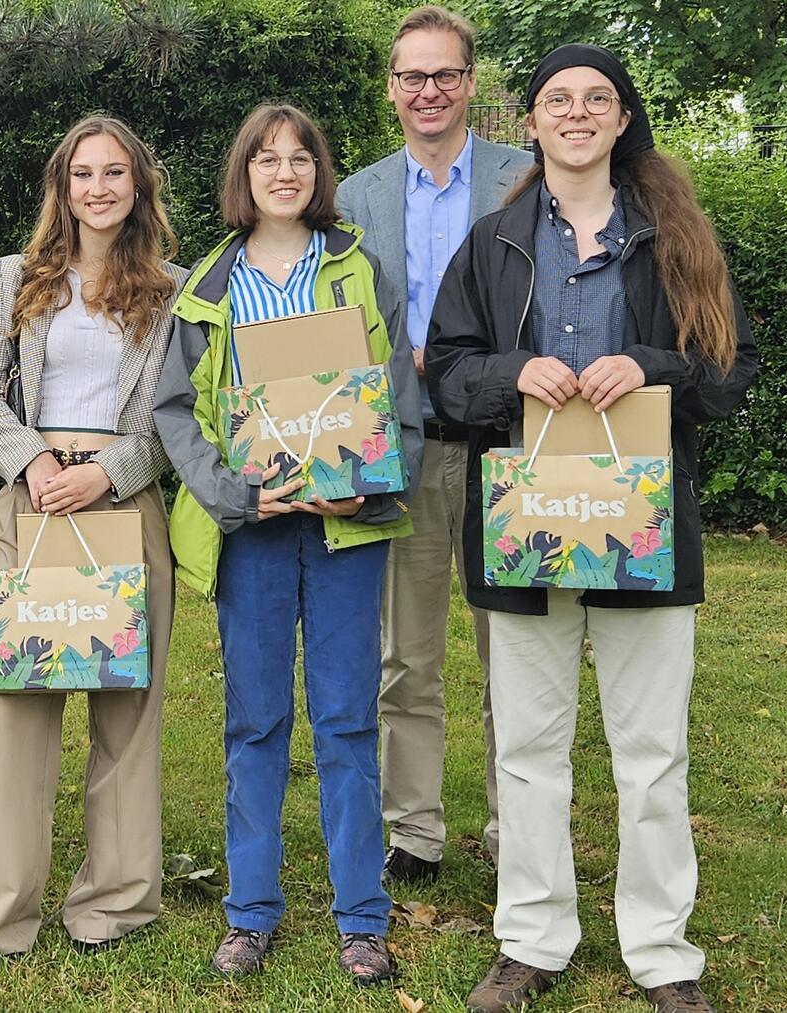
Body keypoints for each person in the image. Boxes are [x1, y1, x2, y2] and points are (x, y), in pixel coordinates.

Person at [425, 44, 757, 1013]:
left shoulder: (679, 239)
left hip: (640, 521)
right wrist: (506, 375)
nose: (576, 112)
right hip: (526, 522)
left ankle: (663, 950)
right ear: (529, 122)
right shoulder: (491, 243)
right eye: (557, 100)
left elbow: (731, 371)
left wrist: (654, 364)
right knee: (527, 746)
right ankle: (532, 938)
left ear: (622, 121)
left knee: (652, 748)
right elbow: (446, 370)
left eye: (596, 99)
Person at [154, 103, 423, 983]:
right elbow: (176, 413)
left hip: (347, 529)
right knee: (256, 719)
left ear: (319, 171)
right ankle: (250, 911)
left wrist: (370, 482)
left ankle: (361, 918)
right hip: (255, 532)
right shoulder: (208, 287)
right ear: (245, 174)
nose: (284, 171)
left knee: (348, 716)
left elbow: (394, 395)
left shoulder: (359, 269)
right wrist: (236, 494)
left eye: (300, 156)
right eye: (266, 158)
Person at [0, 115, 183, 962]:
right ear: (62, 187)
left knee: (128, 708)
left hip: (125, 507)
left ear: (138, 186)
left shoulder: (172, 287)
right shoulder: (15, 277)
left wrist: (112, 470)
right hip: (35, 503)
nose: (98, 188)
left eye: (114, 173)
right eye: (82, 174)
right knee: (19, 710)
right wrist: (35, 459)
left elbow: (179, 415)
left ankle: (114, 902)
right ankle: (9, 912)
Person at [335, 5, 530, 881]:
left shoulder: (526, 178)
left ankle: (513, 824)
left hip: (510, 444)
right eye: (412, 75)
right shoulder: (356, 196)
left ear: (470, 82)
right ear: (391, 87)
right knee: (405, 656)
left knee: (517, 653)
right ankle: (413, 829)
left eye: (444, 74)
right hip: (405, 448)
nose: (428, 90)